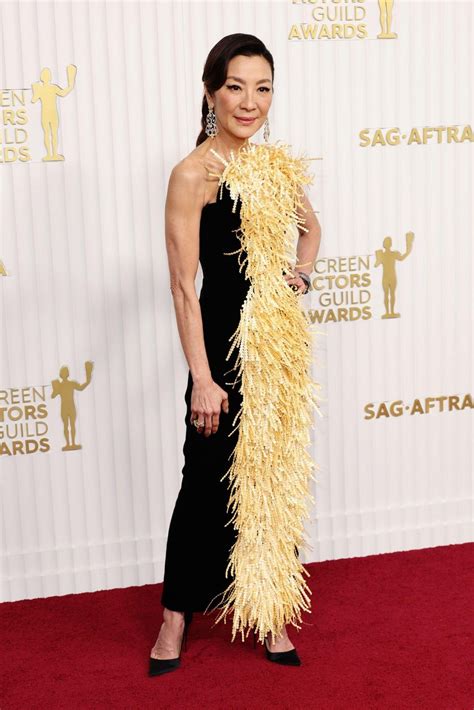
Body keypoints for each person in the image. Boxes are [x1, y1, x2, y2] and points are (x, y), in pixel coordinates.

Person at [149, 33, 321, 676]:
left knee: (271, 479)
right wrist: (201, 377)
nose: (250, 102)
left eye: (263, 87)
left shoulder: (275, 166)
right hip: (220, 347)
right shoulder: (191, 174)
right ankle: (174, 618)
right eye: (236, 87)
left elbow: (312, 228)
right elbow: (181, 287)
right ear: (210, 91)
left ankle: (270, 606)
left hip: (277, 347)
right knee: (203, 481)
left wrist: (301, 274)